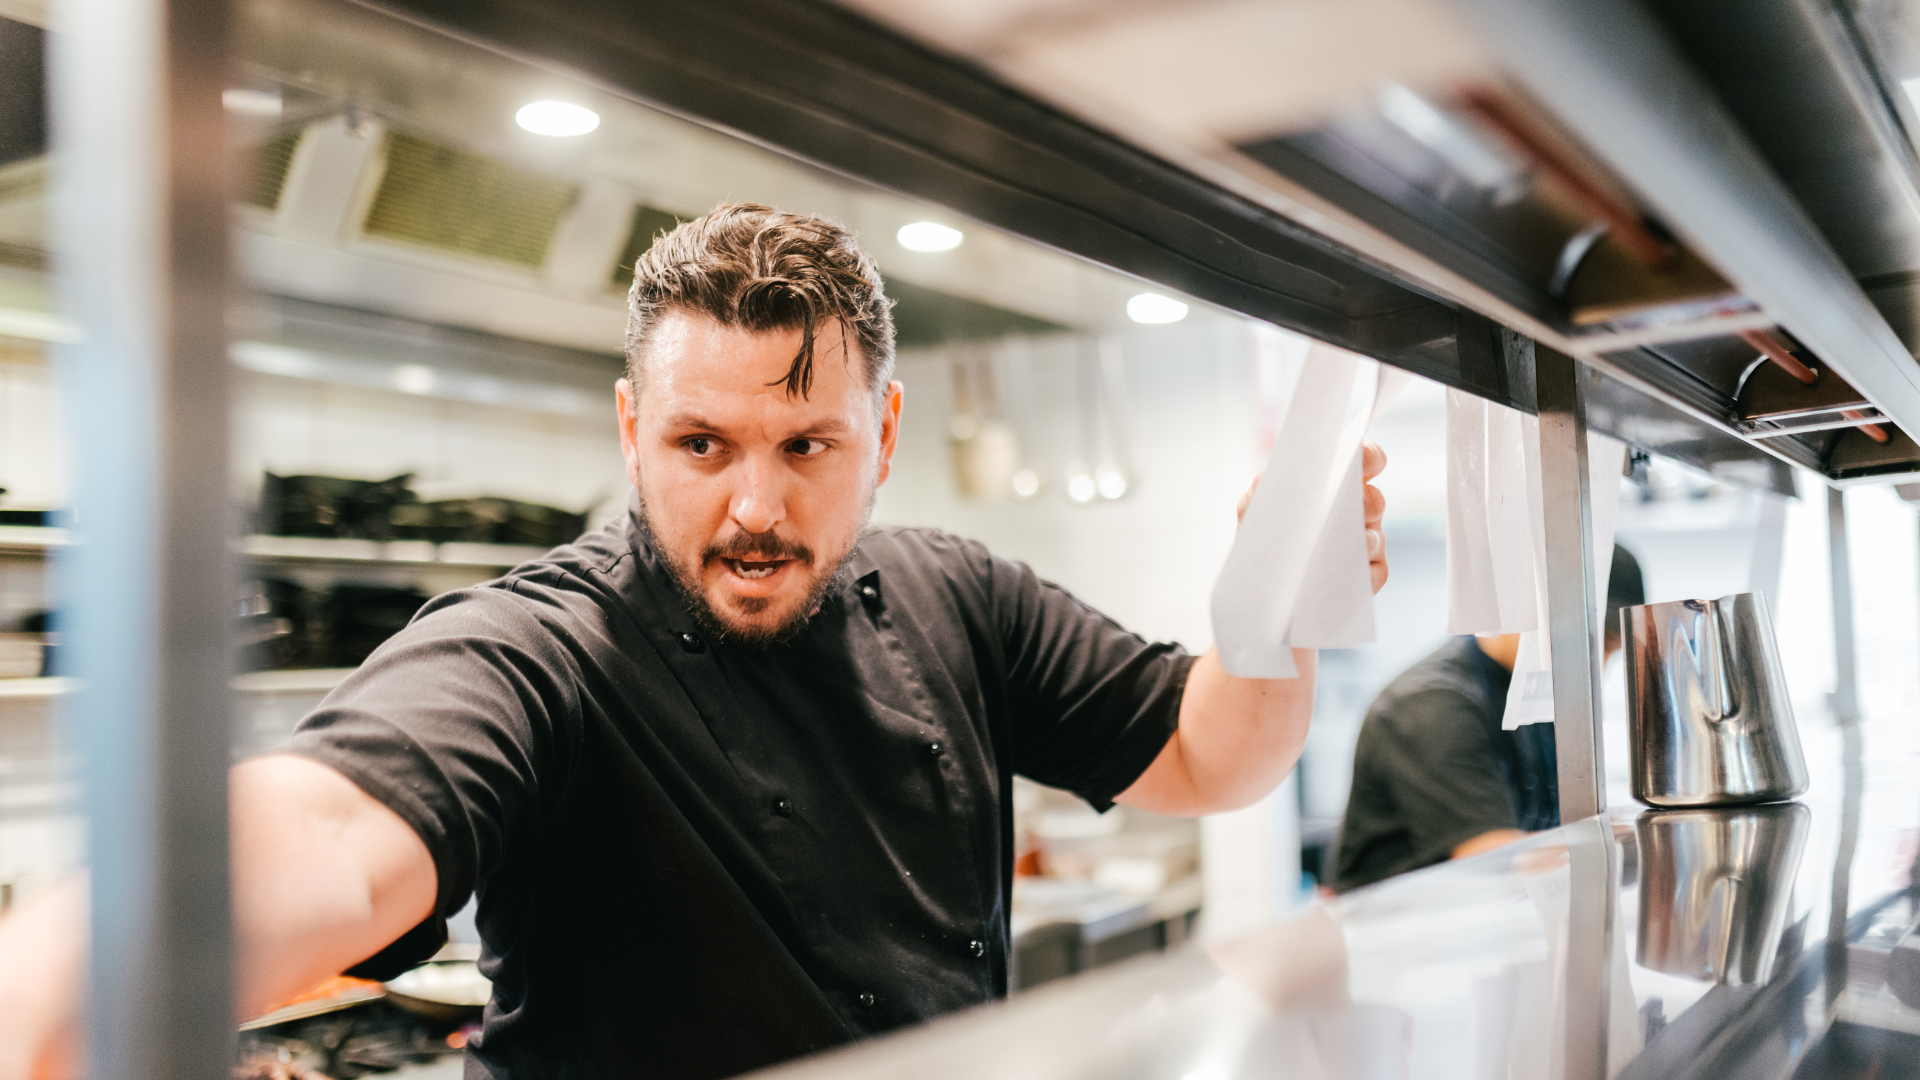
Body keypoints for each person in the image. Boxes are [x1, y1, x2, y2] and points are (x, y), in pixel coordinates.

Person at [0, 204, 1391, 1080]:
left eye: (808, 445)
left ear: (885, 438)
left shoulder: (961, 597)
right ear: (629, 430)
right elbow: (322, 836)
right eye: (700, 443)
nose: (755, 507)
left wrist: (1275, 596)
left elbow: (1217, 752)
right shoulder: (541, 649)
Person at [1328, 544, 1646, 893]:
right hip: (1392, 933)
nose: (1598, 668)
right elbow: (1497, 861)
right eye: (1592, 642)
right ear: (1531, 605)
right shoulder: (1432, 707)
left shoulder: (1541, 695)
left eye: (1611, 651)